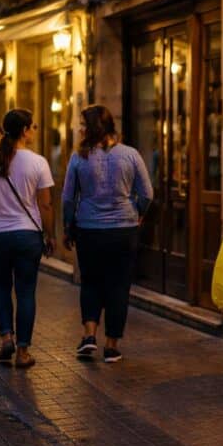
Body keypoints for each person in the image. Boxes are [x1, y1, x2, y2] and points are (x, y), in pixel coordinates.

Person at [62, 104, 152, 363]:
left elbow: (68, 198)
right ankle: (111, 345)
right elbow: (147, 192)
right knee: (118, 285)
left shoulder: (79, 157)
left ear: (90, 128)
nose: (80, 128)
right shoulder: (130, 154)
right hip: (124, 229)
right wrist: (137, 212)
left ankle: (89, 336)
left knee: (90, 282)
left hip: (89, 229)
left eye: (82, 124)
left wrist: (68, 226)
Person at [0, 109, 56, 369]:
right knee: (26, 291)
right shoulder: (38, 162)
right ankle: (22, 352)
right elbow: (46, 205)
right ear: (25, 130)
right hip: (26, 235)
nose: (35, 130)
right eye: (34, 126)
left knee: (0, 288)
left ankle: (6, 336)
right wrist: (50, 234)